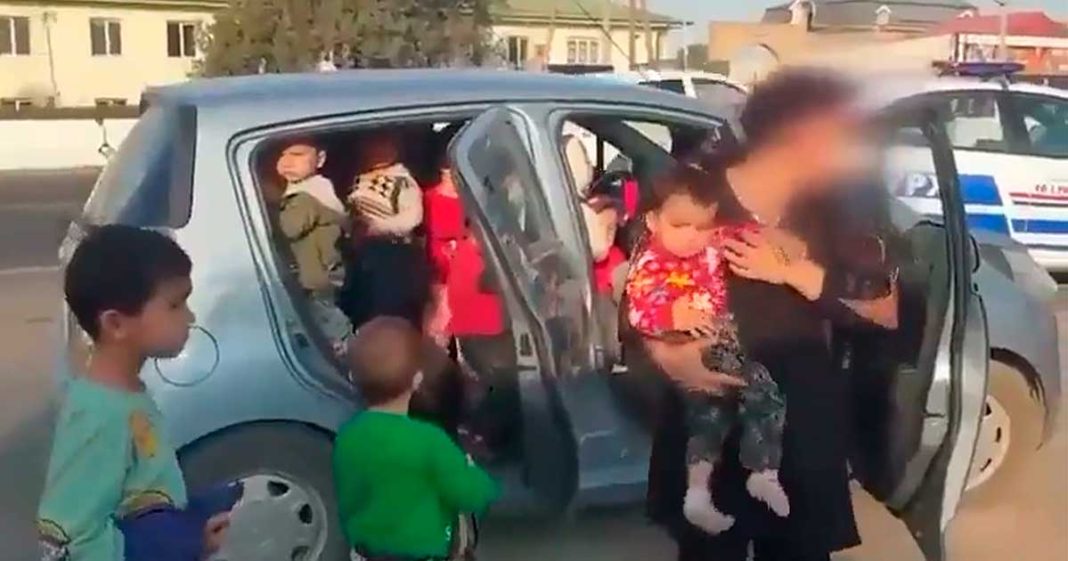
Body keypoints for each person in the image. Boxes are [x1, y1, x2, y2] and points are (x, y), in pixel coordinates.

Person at [635, 68, 900, 561]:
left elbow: (885, 312)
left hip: (800, 424)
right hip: (711, 421)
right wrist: (669, 358)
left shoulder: (841, 209)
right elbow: (636, 289)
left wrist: (795, 273)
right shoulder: (693, 195)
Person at [37, 225, 232, 561]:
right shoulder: (99, 417)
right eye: (175, 305)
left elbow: (138, 498)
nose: (190, 316)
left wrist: (194, 525)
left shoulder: (127, 396)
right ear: (116, 324)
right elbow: (71, 537)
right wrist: (179, 544)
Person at [624, 164, 788, 536]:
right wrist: (671, 316)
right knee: (764, 392)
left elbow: (741, 233)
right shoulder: (651, 262)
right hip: (698, 344)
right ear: (653, 221)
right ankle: (763, 469)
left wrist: (771, 230)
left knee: (709, 418)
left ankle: (698, 492)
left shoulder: (712, 242)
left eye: (703, 226)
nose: (693, 237)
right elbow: (639, 309)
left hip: (713, 340)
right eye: (680, 225)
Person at [334, 317, 498, 561]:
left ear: (352, 377)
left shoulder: (348, 436)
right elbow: (469, 494)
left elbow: (348, 500)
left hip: (368, 552)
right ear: (417, 379)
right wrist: (478, 477)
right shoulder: (431, 441)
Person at [347, 129, 424, 240]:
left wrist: (373, 228)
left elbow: (412, 219)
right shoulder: (357, 177)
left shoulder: (402, 181)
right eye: (370, 143)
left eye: (382, 144)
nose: (374, 149)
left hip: (387, 244)